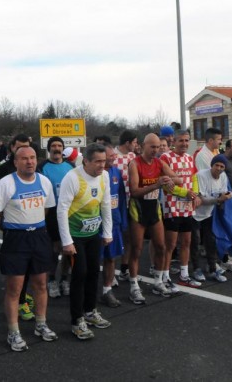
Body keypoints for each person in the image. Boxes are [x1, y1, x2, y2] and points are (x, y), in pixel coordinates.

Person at [0, 146, 58, 351]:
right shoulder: (6, 184)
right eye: (24, 158)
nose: (29, 162)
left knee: (41, 284)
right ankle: (13, 332)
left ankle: (41, 324)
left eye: (33, 158)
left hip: (39, 236)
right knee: (14, 289)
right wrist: (12, 229)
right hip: (15, 239)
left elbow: (45, 209)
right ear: (15, 162)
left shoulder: (44, 181)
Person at [57, 143, 113, 340]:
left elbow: (105, 205)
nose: (101, 165)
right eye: (97, 161)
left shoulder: (104, 176)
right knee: (79, 274)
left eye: (104, 161)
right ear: (86, 161)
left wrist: (107, 232)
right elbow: (62, 209)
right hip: (75, 236)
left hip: (93, 234)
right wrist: (66, 241)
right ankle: (77, 320)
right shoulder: (72, 178)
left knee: (92, 273)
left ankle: (90, 311)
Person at [127, 133, 181, 302]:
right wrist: (157, 184)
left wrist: (169, 180)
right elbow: (134, 191)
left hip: (154, 209)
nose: (155, 150)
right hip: (139, 209)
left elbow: (178, 179)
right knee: (136, 249)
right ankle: (134, 285)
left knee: (161, 246)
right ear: (143, 145)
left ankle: (158, 281)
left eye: (158, 147)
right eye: (152, 147)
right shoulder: (134, 164)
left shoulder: (159, 162)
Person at [0, 133, 36, 321]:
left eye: (27, 148)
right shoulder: (4, 170)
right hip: (12, 230)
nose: (24, 154)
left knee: (29, 270)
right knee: (15, 272)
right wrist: (4, 226)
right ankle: (18, 301)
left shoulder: (34, 170)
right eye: (19, 148)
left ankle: (22, 295)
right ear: (12, 149)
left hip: (33, 231)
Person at [160, 130, 201, 290]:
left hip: (187, 207)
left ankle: (184, 275)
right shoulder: (166, 158)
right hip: (172, 207)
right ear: (174, 142)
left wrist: (195, 194)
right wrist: (185, 192)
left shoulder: (190, 158)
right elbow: (166, 184)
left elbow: (194, 177)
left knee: (187, 242)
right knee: (170, 244)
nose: (184, 144)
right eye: (181, 141)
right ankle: (165, 276)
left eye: (186, 141)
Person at [37, 136, 75, 298]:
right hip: (51, 213)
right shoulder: (42, 167)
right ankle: (51, 279)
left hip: (70, 212)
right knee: (54, 249)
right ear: (49, 149)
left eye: (60, 145)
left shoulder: (70, 166)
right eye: (54, 145)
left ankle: (64, 279)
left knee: (68, 249)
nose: (57, 148)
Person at [193, 155, 232, 282]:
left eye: (222, 166)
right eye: (216, 165)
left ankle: (212, 268)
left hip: (209, 213)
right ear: (212, 165)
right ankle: (196, 269)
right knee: (195, 241)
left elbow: (223, 193)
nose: (219, 168)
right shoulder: (201, 175)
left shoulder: (223, 176)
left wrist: (227, 195)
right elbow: (201, 199)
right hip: (194, 213)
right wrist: (219, 199)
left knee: (211, 241)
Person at [100, 143, 127, 307]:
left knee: (111, 258)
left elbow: (121, 198)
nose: (114, 157)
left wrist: (122, 220)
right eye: (110, 155)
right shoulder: (93, 174)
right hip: (96, 225)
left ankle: (107, 290)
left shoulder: (116, 172)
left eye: (113, 155)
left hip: (114, 223)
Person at [113, 130, 137, 281]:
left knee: (129, 237)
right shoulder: (112, 156)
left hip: (131, 202)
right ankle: (111, 270)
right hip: (115, 204)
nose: (136, 145)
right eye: (134, 142)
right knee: (114, 236)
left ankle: (124, 268)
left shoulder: (133, 157)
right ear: (127, 142)